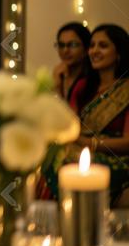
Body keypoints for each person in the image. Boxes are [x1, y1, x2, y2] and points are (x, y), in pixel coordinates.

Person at [41, 24, 129, 206]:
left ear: (119, 52)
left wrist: (90, 143)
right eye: (92, 45)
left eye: (103, 46)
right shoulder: (84, 87)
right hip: (81, 150)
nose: (94, 51)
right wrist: (58, 87)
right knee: (50, 151)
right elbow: (68, 125)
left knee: (64, 157)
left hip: (117, 159)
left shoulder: (126, 90)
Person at [52, 22, 91, 101]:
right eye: (61, 45)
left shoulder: (92, 80)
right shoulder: (59, 74)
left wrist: (57, 89)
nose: (65, 50)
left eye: (72, 45)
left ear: (86, 48)